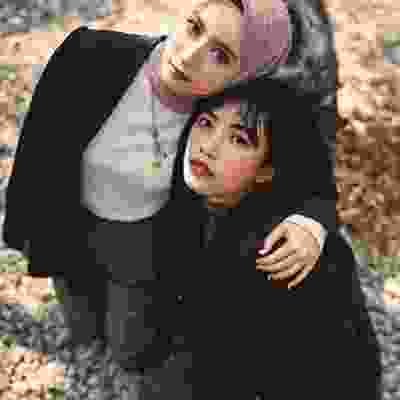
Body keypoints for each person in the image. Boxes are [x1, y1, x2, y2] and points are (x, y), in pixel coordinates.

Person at [3, 0, 338, 388]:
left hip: (143, 239)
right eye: (195, 27)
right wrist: (25, 228)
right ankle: (87, 344)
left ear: (243, 77)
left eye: (220, 56)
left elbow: (307, 170)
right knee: (77, 308)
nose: (189, 55)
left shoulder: (224, 110)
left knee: (130, 345)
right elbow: (39, 148)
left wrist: (310, 222)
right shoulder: (91, 55)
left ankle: (122, 362)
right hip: (71, 220)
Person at [151, 86, 382, 399]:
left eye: (239, 139)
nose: (208, 147)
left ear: (265, 172)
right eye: (206, 123)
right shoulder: (192, 194)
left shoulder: (282, 252)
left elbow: (346, 374)